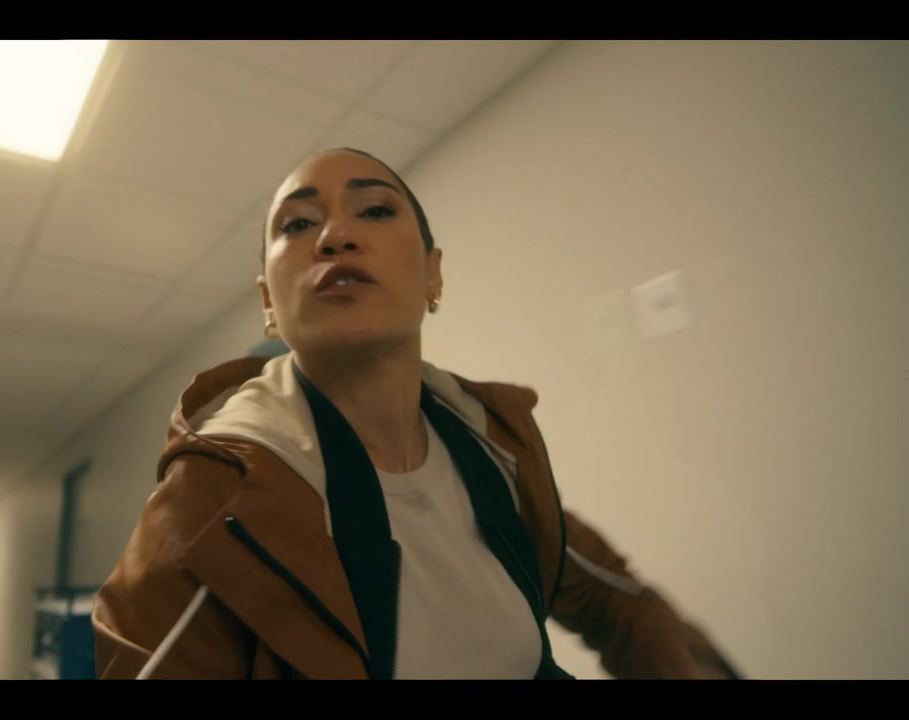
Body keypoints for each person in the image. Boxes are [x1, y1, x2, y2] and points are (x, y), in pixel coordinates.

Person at [92, 148, 741, 680]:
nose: (336, 236)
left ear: (434, 275)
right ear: (268, 301)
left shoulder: (494, 448)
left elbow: (611, 597)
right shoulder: (209, 505)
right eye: (297, 225)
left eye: (375, 210)